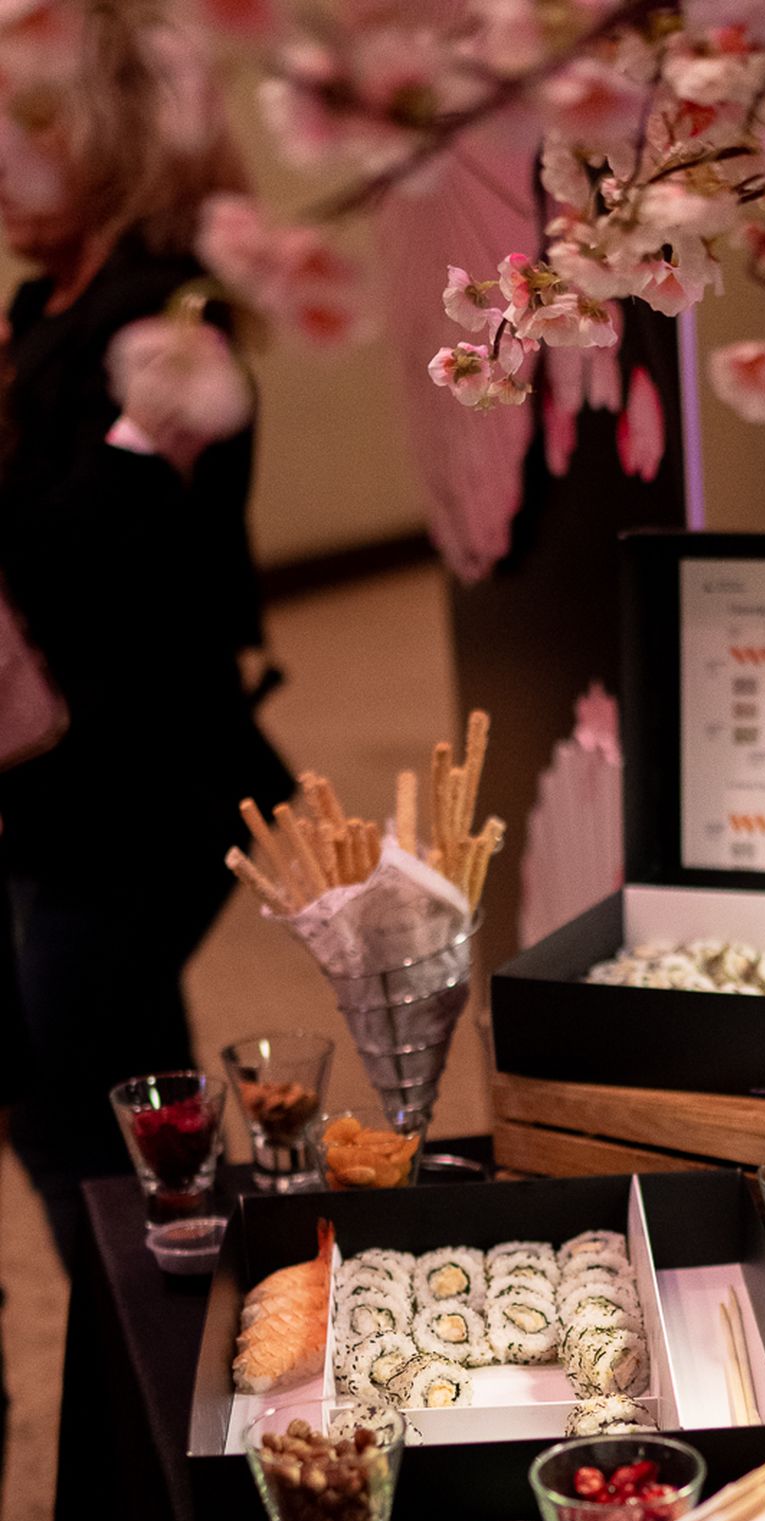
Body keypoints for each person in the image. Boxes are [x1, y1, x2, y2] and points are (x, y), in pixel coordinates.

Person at [0, 2, 288, 1266]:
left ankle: (153, 1351)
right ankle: (145, 1354)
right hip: (58, 782)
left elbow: (79, 564)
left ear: (119, 136)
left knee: (94, 1114)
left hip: (134, 782)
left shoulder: (163, 322)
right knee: (95, 1096)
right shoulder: (47, 307)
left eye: (31, 130)